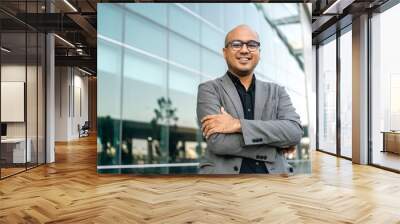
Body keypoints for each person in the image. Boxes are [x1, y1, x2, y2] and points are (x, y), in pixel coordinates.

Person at [196, 24, 303, 174]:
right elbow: (218, 142)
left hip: (275, 184)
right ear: (225, 52)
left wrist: (238, 125)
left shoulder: (277, 92)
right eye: (236, 44)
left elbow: (294, 132)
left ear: (259, 52)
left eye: (252, 44)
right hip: (224, 185)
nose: (245, 50)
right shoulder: (209, 89)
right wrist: (274, 146)